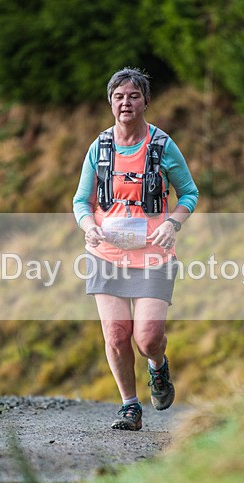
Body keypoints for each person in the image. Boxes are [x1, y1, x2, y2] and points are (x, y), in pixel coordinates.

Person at [72, 67, 199, 430]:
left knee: (147, 338)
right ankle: (130, 407)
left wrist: (173, 223)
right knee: (116, 334)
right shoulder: (99, 148)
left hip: (153, 255)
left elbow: (189, 193)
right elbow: (81, 201)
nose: (125, 103)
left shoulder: (162, 146)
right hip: (106, 255)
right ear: (110, 103)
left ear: (146, 102)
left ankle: (158, 367)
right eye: (118, 97)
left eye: (133, 96)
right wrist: (89, 226)